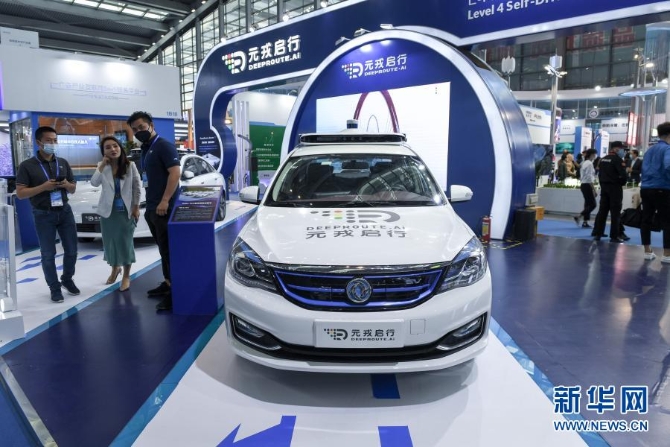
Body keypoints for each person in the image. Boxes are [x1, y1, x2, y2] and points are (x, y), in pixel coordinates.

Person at [15, 126, 80, 303]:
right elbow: (20, 193)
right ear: (39, 142)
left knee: (72, 250)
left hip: (64, 211)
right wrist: (44, 187)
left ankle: (67, 279)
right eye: (49, 140)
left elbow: (73, 188)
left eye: (55, 140)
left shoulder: (63, 162)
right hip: (43, 213)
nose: (53, 143)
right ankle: (54, 288)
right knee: (48, 254)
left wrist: (66, 185)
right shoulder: (27, 166)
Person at [127, 111, 180, 311]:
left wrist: (165, 200)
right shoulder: (147, 148)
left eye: (141, 127)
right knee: (162, 249)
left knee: (170, 251)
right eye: (135, 129)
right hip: (152, 208)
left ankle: (176, 291)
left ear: (151, 125)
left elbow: (175, 173)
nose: (138, 131)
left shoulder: (163, 146)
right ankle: (167, 282)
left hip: (165, 208)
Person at [90, 136, 141, 292]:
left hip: (126, 211)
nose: (113, 149)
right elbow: (94, 183)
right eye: (108, 147)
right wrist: (101, 165)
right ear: (103, 152)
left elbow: (137, 187)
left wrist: (136, 207)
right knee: (110, 243)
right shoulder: (102, 166)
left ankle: (126, 275)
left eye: (115, 146)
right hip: (108, 212)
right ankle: (115, 268)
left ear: (120, 148)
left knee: (125, 243)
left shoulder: (130, 165)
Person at [639, 122, 670, 263]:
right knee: (667, 221)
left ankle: (647, 251)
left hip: (646, 188)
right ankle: (667, 254)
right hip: (662, 188)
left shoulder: (649, 150)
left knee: (646, 219)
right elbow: (668, 166)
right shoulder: (667, 149)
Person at [592, 142, 628, 242]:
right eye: (622, 149)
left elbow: (599, 174)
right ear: (616, 149)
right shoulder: (617, 160)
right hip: (615, 188)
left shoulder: (603, 159)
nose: (623, 151)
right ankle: (614, 236)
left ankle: (598, 234)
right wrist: (621, 182)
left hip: (604, 187)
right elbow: (623, 175)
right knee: (615, 213)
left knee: (602, 211)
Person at [574, 149, 598, 228]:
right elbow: (589, 178)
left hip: (583, 185)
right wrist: (594, 189)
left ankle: (585, 222)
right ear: (591, 155)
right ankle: (579, 216)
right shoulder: (589, 164)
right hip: (587, 185)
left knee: (587, 204)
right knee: (593, 204)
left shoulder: (584, 163)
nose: (595, 156)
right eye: (594, 154)